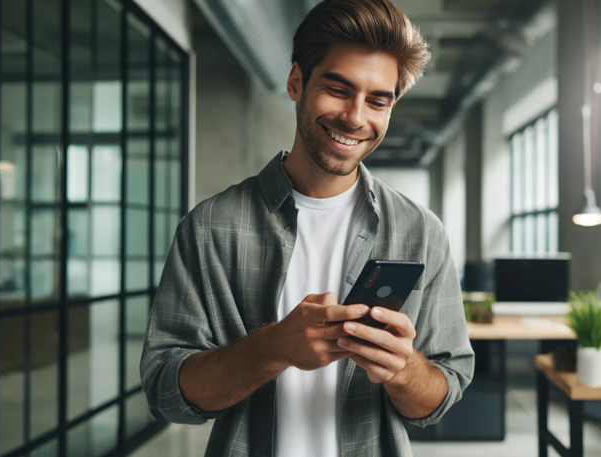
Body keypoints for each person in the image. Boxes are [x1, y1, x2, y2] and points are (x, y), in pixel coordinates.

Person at [140, 0, 474, 456]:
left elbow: (440, 397)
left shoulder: (421, 231)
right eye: (338, 89)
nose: (356, 117)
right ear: (297, 82)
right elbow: (165, 393)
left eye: (378, 100)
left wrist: (403, 369)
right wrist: (272, 347)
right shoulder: (210, 227)